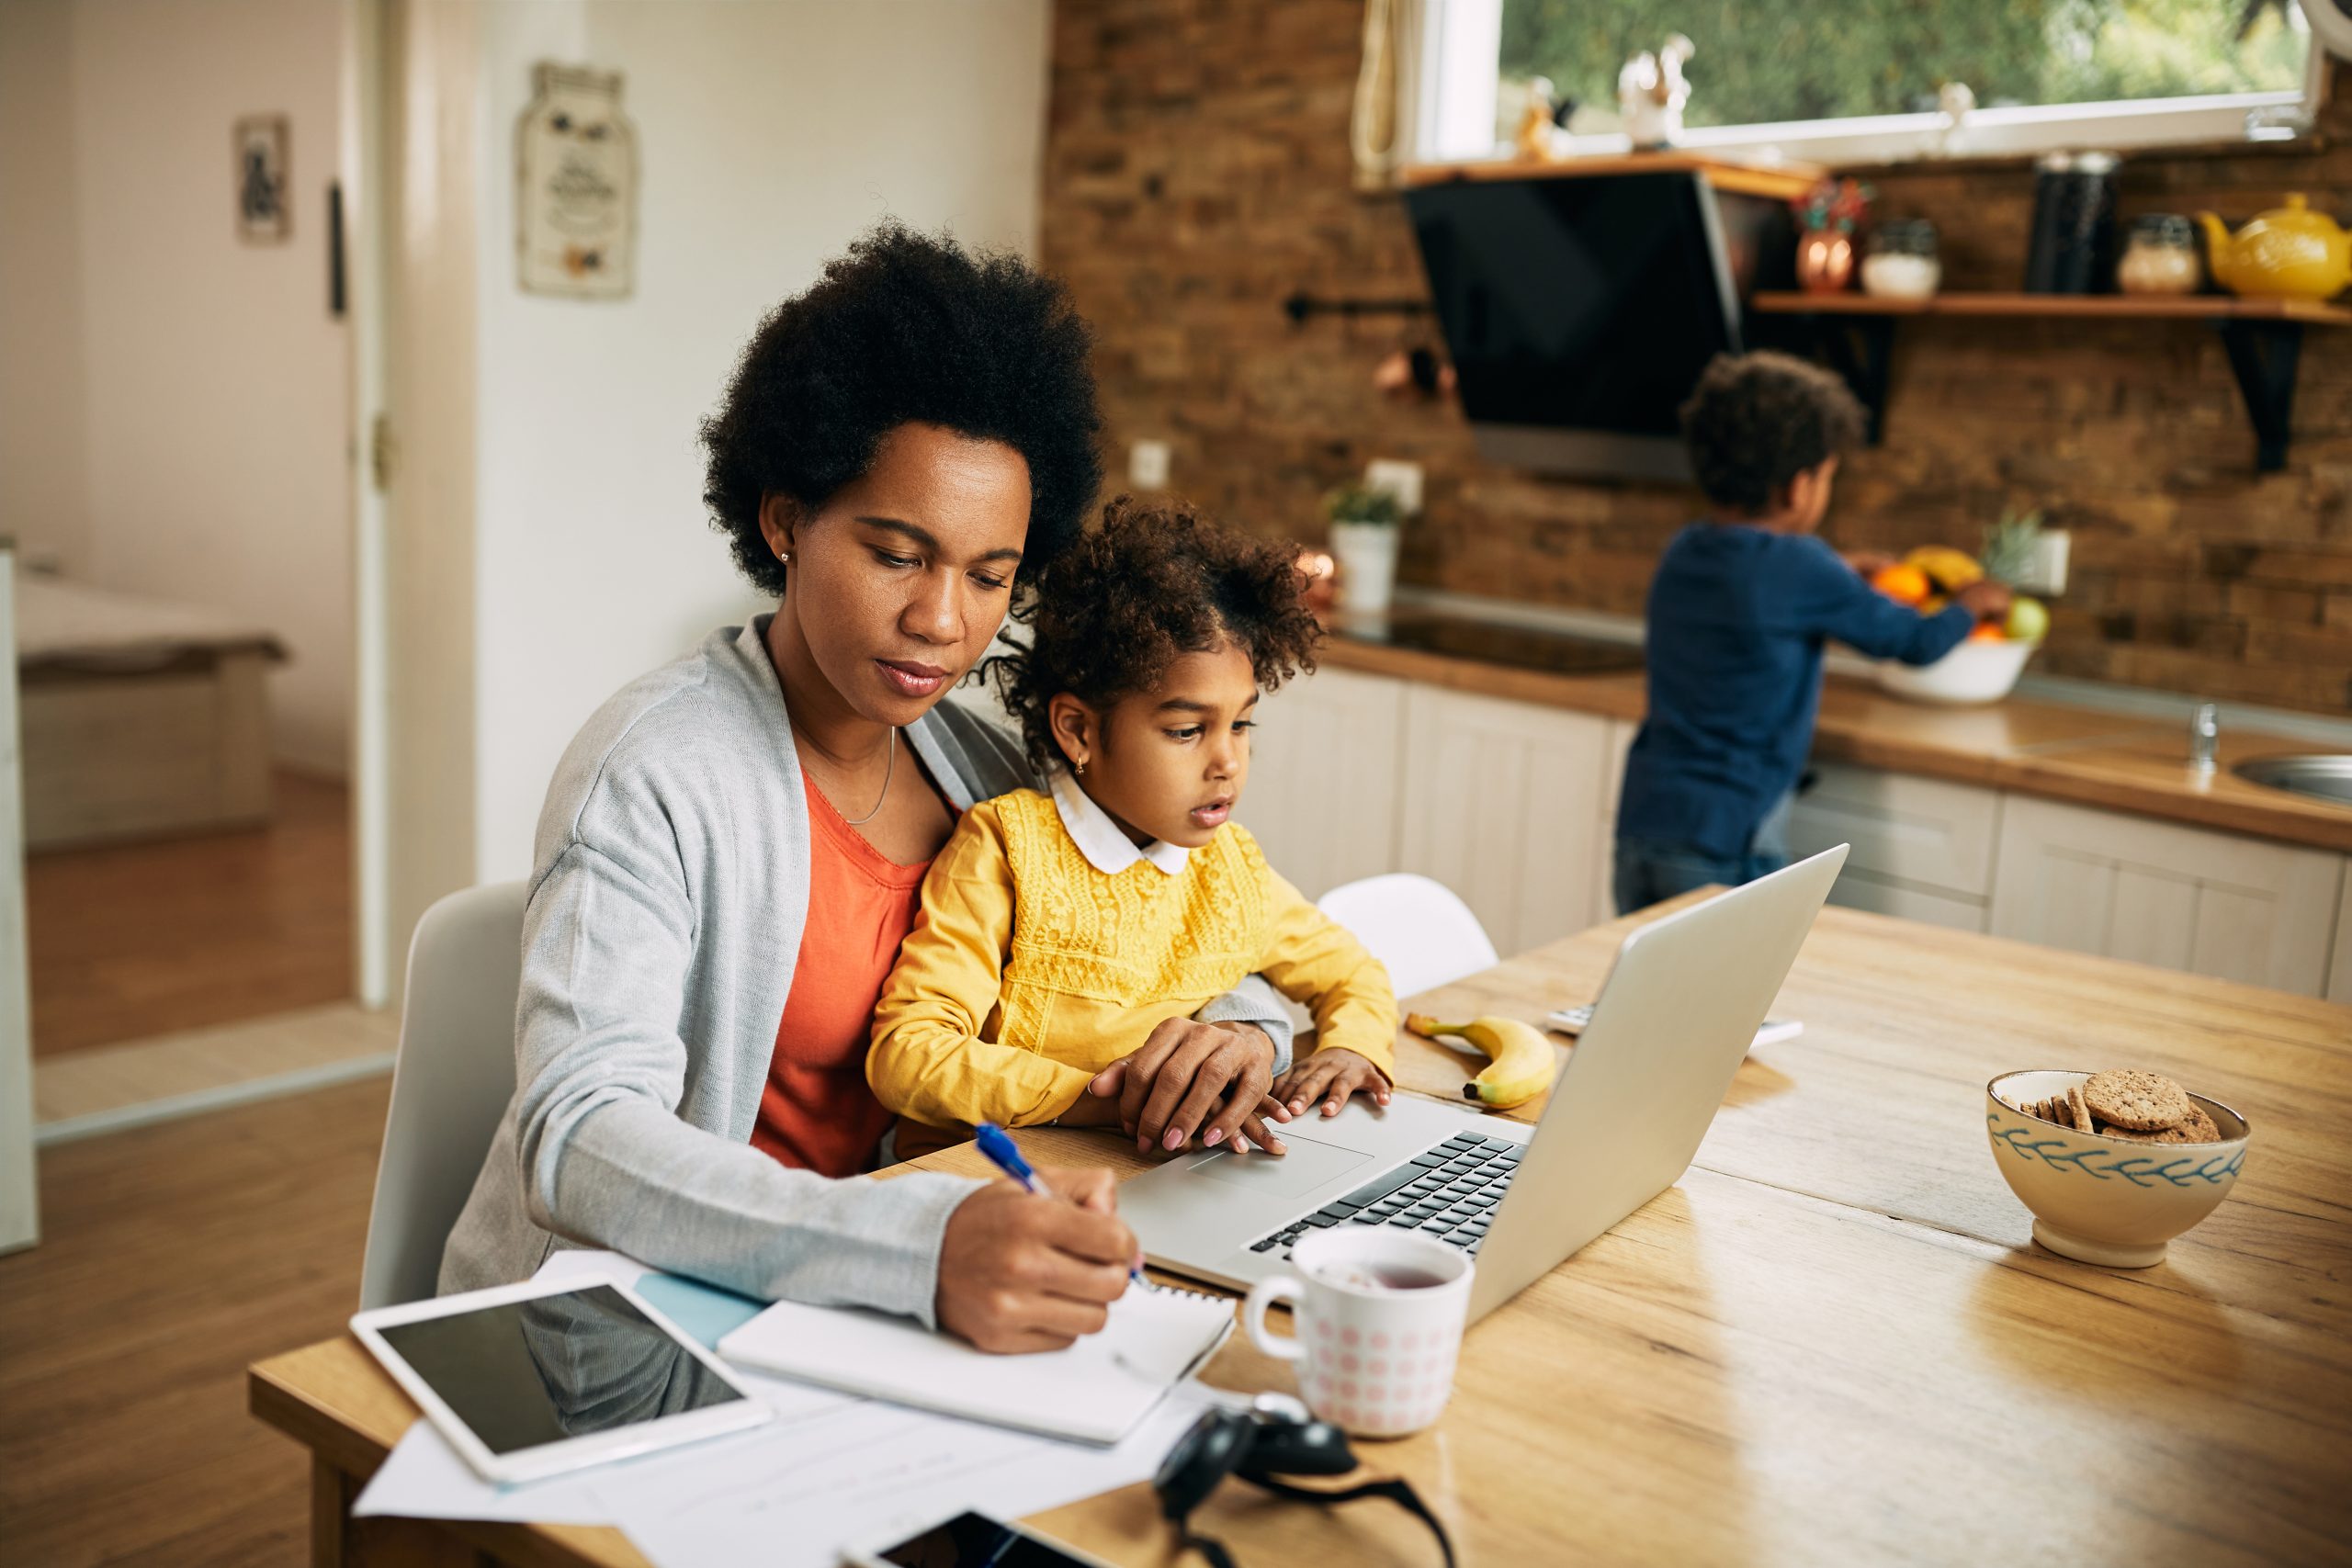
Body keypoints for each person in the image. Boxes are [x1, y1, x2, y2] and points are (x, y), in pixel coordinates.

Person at [438, 227, 1296, 1354]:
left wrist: (1241, 1035)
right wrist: (908, 1245)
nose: (944, 621)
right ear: (785, 520)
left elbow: (1200, 925)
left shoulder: (988, 772)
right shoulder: (654, 771)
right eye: (897, 554)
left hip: (905, 1309)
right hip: (651, 1332)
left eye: (990, 576)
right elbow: (580, 1133)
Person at [866, 499, 1399, 1154]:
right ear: (1079, 730)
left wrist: (1352, 1047)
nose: (1228, 761)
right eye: (1186, 730)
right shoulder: (1007, 848)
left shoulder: (1232, 870)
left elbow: (1354, 971)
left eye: (1241, 724)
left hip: (1145, 1175)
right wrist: (1111, 1097)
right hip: (989, 1180)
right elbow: (909, 1055)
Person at [1614, 351, 2010, 912]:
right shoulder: (1803, 567)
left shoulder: (1684, 551)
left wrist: (1840, 572)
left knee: (1651, 993)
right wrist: (1969, 606)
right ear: (1800, 488)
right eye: (1828, 476)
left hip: (1644, 824)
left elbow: (1754, 584)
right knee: (1734, 994)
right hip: (1731, 840)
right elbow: (1913, 642)